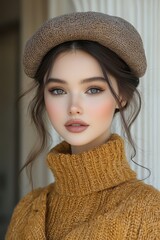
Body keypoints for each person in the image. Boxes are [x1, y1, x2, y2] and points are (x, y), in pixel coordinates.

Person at [6, 11, 160, 239]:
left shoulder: (149, 210)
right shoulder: (26, 209)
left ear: (121, 97)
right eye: (58, 90)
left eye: (93, 89)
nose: (74, 107)